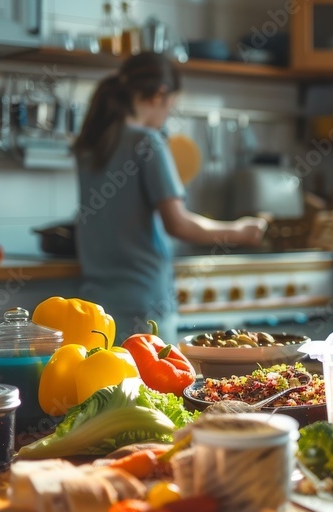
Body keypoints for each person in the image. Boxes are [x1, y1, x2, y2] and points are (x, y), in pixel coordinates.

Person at [72, 53, 267, 343]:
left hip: (95, 306)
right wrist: (240, 230)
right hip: (144, 303)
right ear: (159, 95)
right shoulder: (147, 142)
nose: (166, 117)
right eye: (170, 107)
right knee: (156, 388)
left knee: (105, 386)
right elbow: (178, 224)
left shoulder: (90, 146)